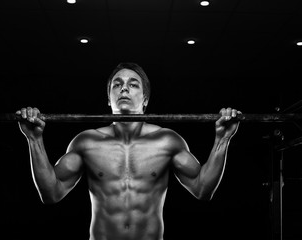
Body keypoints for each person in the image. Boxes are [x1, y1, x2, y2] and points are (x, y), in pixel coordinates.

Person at [16, 62, 240, 240]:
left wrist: (223, 139)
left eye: (133, 84)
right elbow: (51, 193)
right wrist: (34, 140)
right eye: (117, 84)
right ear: (108, 98)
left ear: (145, 100)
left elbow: (202, 189)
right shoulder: (86, 142)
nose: (124, 88)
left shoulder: (166, 140)